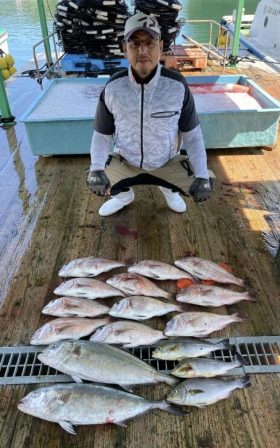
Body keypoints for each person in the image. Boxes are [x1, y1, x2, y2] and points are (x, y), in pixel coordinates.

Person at [87, 11, 213, 216]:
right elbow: (101, 135)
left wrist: (201, 176)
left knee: (205, 177)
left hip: (166, 162)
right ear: (124, 49)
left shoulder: (177, 86)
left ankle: (170, 190)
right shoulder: (113, 88)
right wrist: (96, 169)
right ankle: (123, 196)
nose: (142, 49)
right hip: (126, 161)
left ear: (161, 46)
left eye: (150, 42)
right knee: (94, 173)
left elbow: (193, 136)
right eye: (134, 43)